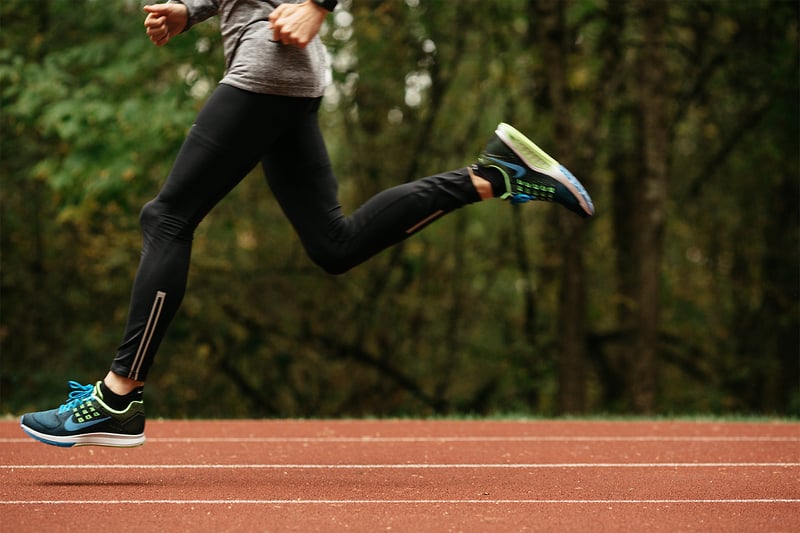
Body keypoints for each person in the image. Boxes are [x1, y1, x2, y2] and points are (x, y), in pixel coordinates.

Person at [19, 0, 595, 448]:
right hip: (281, 66)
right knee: (332, 245)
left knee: (168, 216)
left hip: (267, 64)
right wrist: (190, 10)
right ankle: (491, 176)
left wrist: (320, 4)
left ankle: (120, 395)